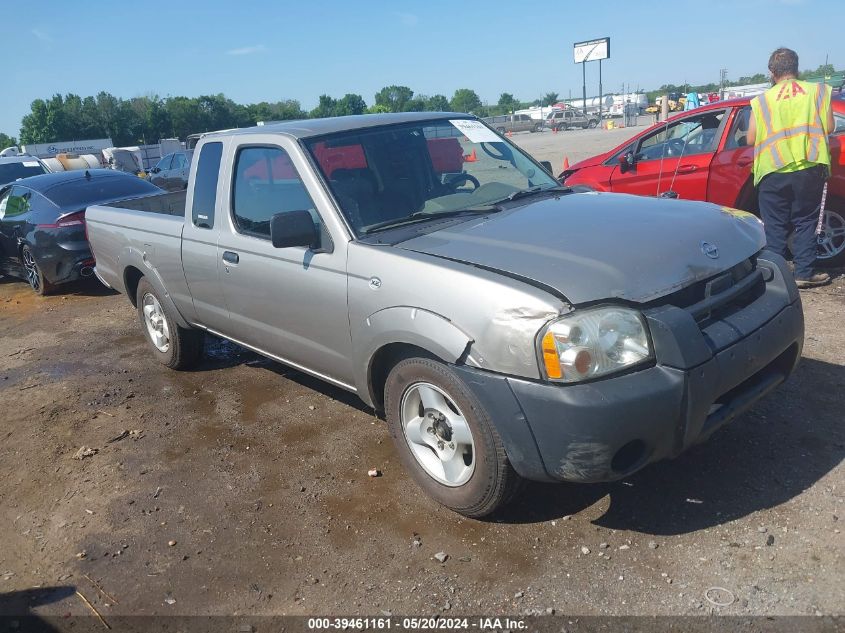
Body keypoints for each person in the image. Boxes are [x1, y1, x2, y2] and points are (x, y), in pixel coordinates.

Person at [746, 47, 835, 288]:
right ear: (797, 68)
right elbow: (828, 126)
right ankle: (803, 273)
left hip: (771, 169)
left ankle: (776, 278)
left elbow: (751, 139)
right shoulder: (817, 92)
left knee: (774, 223)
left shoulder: (761, 100)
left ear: (771, 72)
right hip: (809, 166)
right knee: (806, 221)